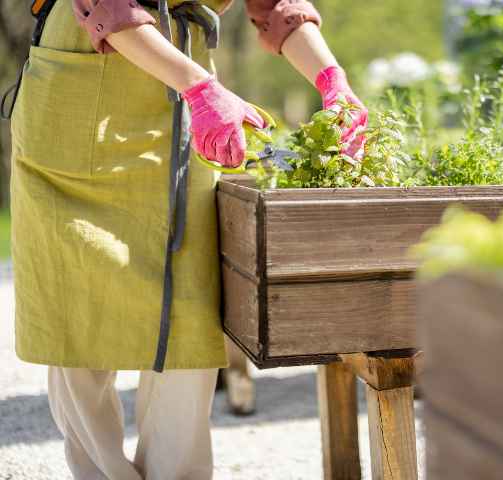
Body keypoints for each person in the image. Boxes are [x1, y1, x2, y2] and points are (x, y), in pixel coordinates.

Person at [9, 0, 366, 477]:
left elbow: (278, 6)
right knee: (78, 303)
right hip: (84, 82)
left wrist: (331, 79)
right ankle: (99, 471)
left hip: (187, 94)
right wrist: (198, 86)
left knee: (191, 302)